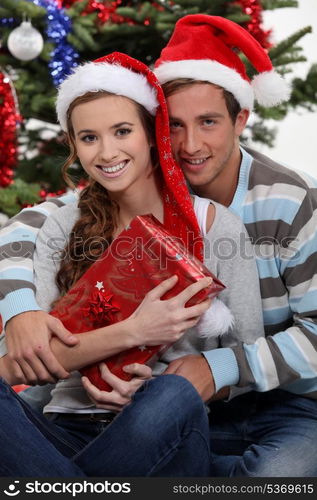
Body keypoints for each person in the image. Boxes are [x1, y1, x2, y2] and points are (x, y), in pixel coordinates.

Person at [0, 51, 263, 476]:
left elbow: (243, 359)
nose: (107, 153)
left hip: (166, 428)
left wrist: (178, 383)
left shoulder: (218, 227)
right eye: (89, 138)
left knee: (173, 394)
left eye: (122, 131)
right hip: (64, 428)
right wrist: (135, 331)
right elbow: (18, 364)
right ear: (74, 146)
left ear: (151, 133)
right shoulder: (61, 225)